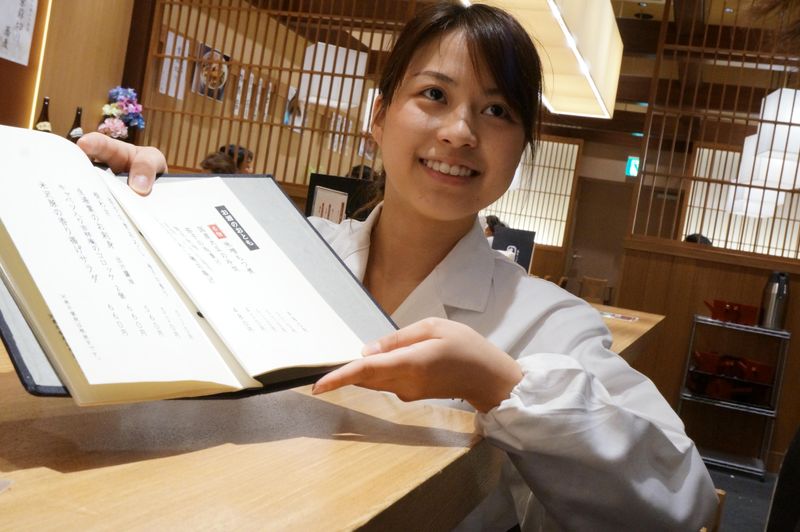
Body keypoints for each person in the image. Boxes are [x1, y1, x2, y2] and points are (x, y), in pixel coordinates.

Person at [77, 2, 718, 529]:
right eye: (434, 94)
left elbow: (683, 501)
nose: (460, 131)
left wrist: (502, 386)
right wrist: (132, 207)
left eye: (497, 111)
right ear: (379, 117)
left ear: (521, 150)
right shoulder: (290, 251)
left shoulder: (548, 321)